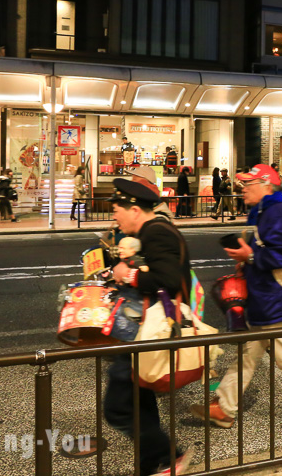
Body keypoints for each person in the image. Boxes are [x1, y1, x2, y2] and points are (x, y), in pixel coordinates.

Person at [192, 164, 282, 431]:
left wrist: (250, 256)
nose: (242, 190)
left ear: (267, 186)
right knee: (247, 354)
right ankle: (224, 407)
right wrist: (247, 259)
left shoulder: (275, 213)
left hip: (279, 304)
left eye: (248, 184)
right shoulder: (266, 211)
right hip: (267, 302)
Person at [105, 177, 194, 476]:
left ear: (134, 209)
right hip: (142, 329)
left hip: (149, 331)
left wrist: (127, 276)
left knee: (118, 408)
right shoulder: (152, 232)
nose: (114, 215)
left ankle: (170, 458)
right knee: (139, 400)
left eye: (117, 208)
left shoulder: (157, 233)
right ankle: (152, 464)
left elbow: (168, 281)